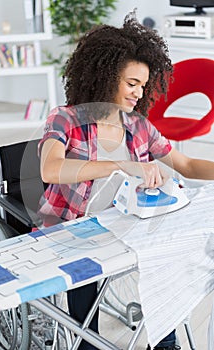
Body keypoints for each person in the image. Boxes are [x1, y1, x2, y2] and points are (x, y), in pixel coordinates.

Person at [37, 9, 214, 350]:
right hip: (72, 227)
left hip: (121, 223)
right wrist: (121, 166)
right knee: (84, 282)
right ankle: (85, 340)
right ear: (104, 76)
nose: (138, 93)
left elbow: (188, 165)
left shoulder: (138, 127)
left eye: (143, 86)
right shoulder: (65, 120)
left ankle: (164, 340)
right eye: (131, 83)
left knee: (167, 260)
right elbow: (51, 169)